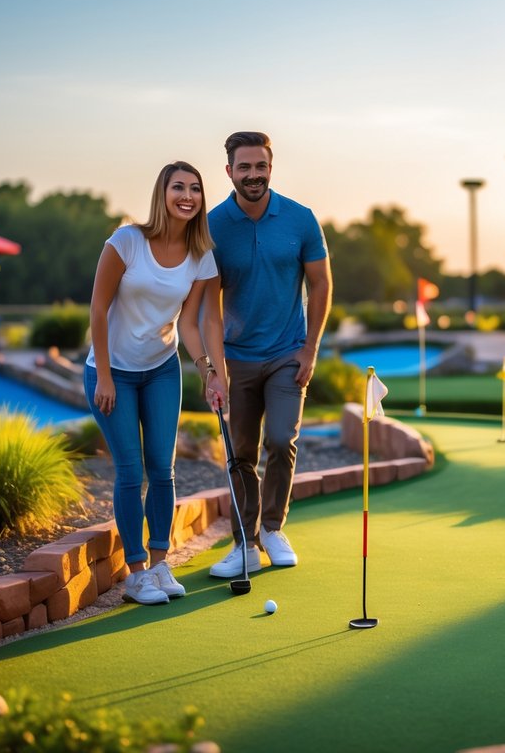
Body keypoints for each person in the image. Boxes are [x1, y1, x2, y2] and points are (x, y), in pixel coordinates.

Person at [86, 161, 228, 605]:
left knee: (162, 470)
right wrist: (105, 375)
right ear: (162, 194)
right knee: (130, 472)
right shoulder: (126, 241)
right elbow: (97, 309)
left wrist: (208, 371)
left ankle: (161, 562)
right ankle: (136, 574)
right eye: (178, 187)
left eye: (195, 189)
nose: (187, 196)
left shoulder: (202, 254)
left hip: (162, 369)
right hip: (113, 372)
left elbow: (190, 323)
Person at [206, 131, 332, 578]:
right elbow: (207, 304)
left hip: (286, 353)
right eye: (244, 167)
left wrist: (310, 348)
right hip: (236, 358)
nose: (253, 175)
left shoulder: (300, 219)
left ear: (270, 168)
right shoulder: (213, 225)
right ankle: (245, 543)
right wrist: (213, 368)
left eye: (260, 166)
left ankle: (274, 529)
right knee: (241, 451)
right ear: (229, 172)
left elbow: (320, 283)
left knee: (281, 439)